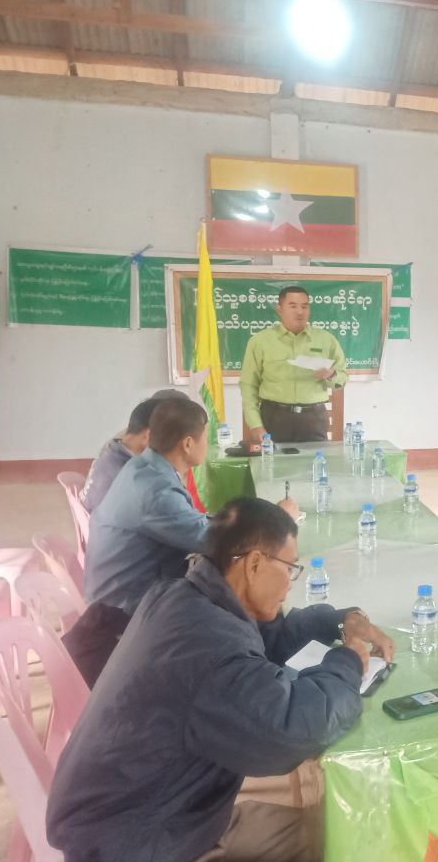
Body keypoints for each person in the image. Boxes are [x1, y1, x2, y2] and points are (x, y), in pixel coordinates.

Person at [48, 497, 395, 862]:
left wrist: (337, 621)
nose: (291, 583)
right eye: (291, 568)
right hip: (143, 843)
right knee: (331, 839)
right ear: (255, 563)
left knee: (321, 827)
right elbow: (292, 730)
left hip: (143, 812)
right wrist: (347, 663)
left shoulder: (183, 596)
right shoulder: (207, 647)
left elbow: (262, 641)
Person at [73, 399, 296, 685]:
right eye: (206, 437)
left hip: (119, 593)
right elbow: (212, 541)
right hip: (123, 610)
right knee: (240, 595)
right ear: (188, 444)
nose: (208, 444)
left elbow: (191, 521)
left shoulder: (145, 467)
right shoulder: (155, 491)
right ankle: (261, 678)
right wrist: (275, 521)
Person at [239, 285, 348, 445]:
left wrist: (331, 374)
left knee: (315, 460)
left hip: (313, 418)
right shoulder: (260, 341)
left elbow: (342, 378)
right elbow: (248, 385)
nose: (299, 312)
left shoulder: (327, 340)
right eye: (293, 306)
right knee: (273, 461)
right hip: (274, 417)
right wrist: (256, 425)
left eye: (304, 306)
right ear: (279, 309)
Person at [80, 397, 161, 512]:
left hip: (92, 515)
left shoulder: (112, 448)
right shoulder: (132, 475)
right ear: (148, 435)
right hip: (101, 519)